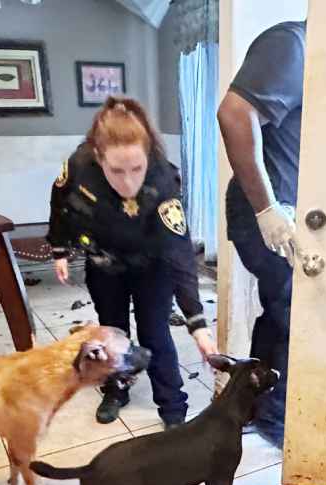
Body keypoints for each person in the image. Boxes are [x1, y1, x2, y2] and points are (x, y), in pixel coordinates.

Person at [47, 96, 218, 428]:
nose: (128, 183)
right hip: (104, 263)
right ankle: (116, 390)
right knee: (113, 332)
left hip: (152, 265)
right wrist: (59, 247)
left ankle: (173, 407)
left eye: (136, 169)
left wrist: (197, 323)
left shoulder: (163, 180)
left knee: (155, 334)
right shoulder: (79, 166)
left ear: (148, 156)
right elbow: (59, 201)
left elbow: (179, 253)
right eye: (116, 171)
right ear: (98, 157)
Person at [217, 20, 306, 446]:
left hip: (290, 212)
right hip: (266, 213)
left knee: (280, 310)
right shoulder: (293, 44)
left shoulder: (324, 55)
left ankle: (251, 406)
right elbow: (234, 114)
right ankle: (275, 418)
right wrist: (268, 210)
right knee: (294, 313)